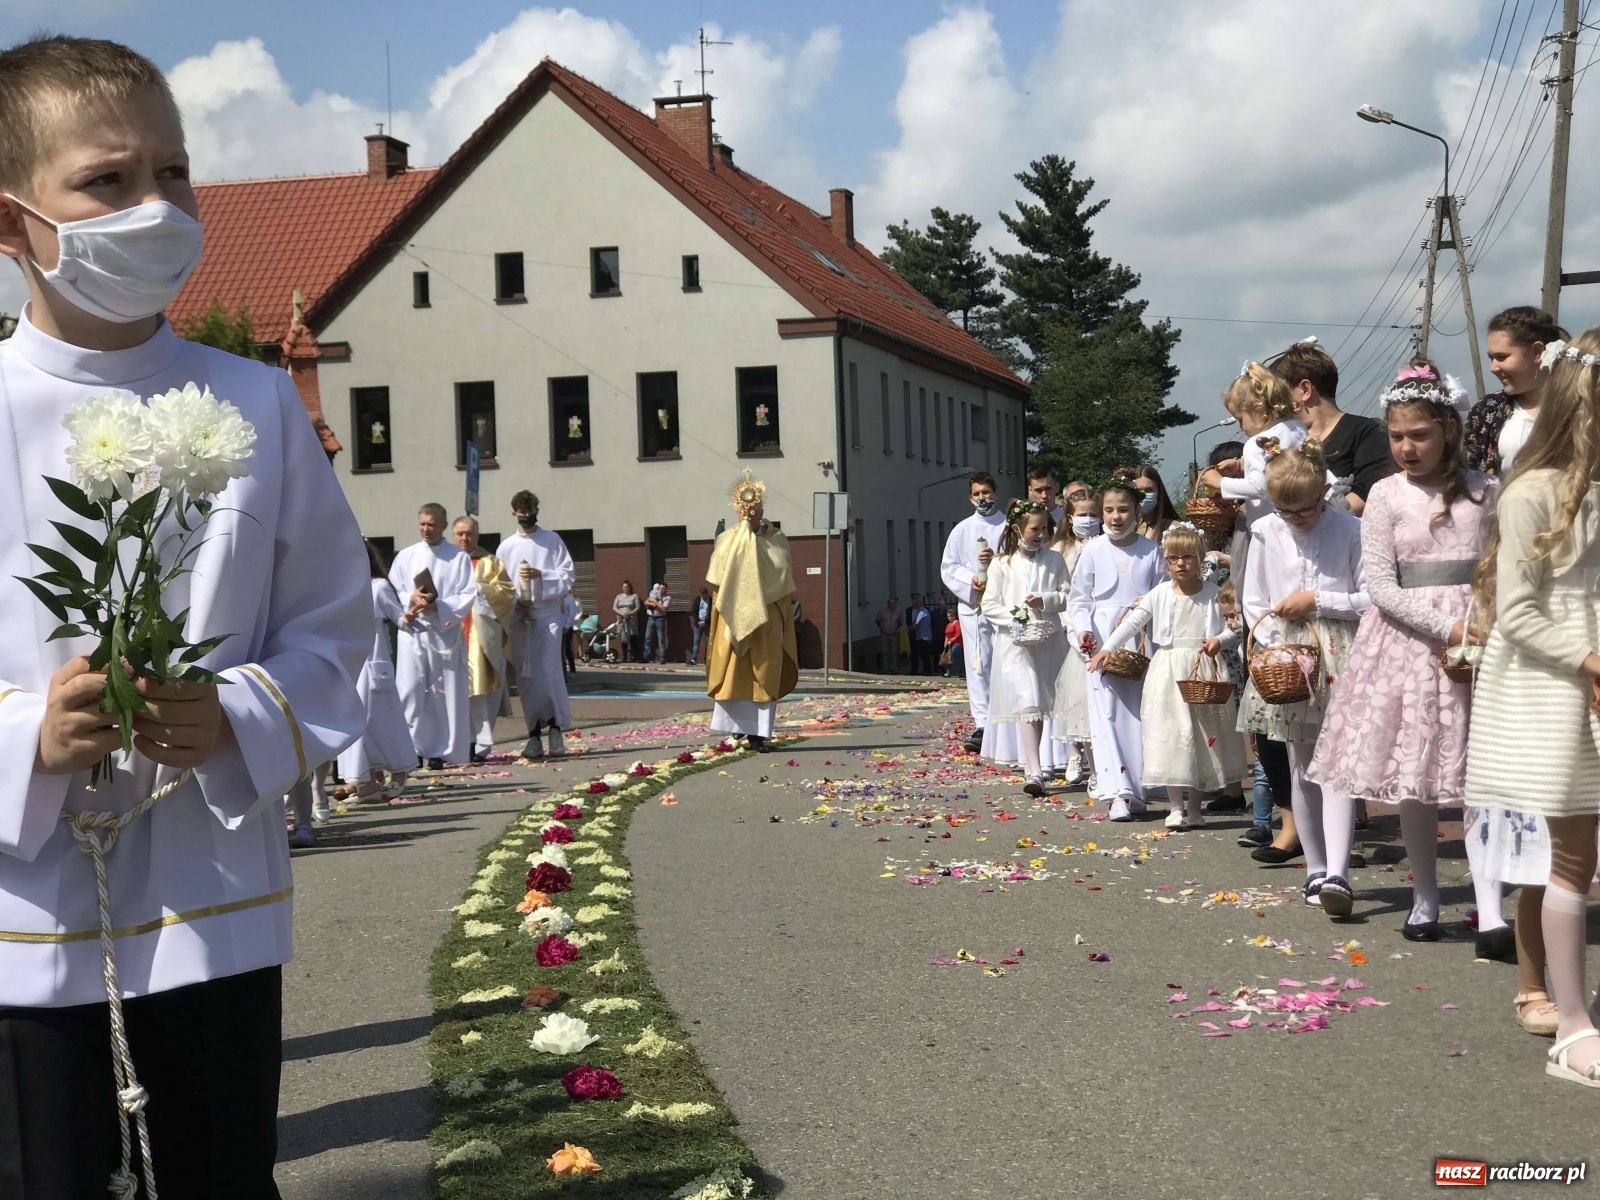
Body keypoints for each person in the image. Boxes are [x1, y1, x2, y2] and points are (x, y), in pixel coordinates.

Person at [0, 34, 371, 1196]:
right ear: (13, 225)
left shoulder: (254, 399)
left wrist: (234, 719)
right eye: (108, 181)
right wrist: (27, 739)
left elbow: (332, 629)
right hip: (23, 922)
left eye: (174, 173)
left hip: (212, 900)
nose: (154, 206)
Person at [1306, 361, 1492, 941]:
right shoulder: (1385, 494)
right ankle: (1426, 896)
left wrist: (1482, 621)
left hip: (1480, 641)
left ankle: (1491, 904)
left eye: (1420, 435)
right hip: (1409, 644)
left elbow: (1500, 567)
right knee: (1416, 773)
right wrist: (1447, 625)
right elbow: (1382, 586)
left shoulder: (1487, 490)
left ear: (1450, 431)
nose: (1407, 448)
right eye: (1396, 437)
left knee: (1483, 774)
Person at [1465, 327, 1600, 1085]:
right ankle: (1572, 1022)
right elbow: (1516, 612)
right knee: (1572, 860)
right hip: (1557, 686)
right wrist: (1589, 661)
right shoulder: (1532, 493)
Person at [1239, 440, 1370, 916]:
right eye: (1285, 510)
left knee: (1337, 765)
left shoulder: (1350, 528)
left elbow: (1371, 595)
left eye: (1306, 509)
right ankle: (1314, 866)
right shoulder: (1264, 531)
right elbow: (1254, 597)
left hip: (1339, 651)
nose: (1295, 519)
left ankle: (1338, 871)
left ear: (1324, 493)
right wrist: (1277, 642)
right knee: (1301, 763)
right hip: (1285, 655)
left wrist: (1318, 600)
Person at [1091, 522, 1244, 829]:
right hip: (1167, 669)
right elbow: (1133, 623)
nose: (1180, 564)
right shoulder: (1159, 593)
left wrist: (1220, 641)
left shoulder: (1213, 594)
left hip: (1201, 669)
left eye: (1187, 557)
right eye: (1173, 558)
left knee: (1202, 736)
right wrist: (1107, 648)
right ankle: (1176, 807)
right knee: (1172, 735)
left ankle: (1196, 807)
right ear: (1165, 561)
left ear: (1201, 558)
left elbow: (1234, 627)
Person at [1068, 480, 1165, 820]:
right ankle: (1116, 791)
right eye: (1108, 510)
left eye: (1123, 510)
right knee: (1105, 712)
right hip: (1101, 639)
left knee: (1138, 714)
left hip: (1139, 638)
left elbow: (1163, 595)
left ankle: (1138, 788)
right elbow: (1079, 599)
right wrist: (1082, 631)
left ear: (1137, 512)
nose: (1115, 517)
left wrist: (1148, 605)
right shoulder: (1093, 549)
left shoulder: (1151, 551)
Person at [980, 501, 1073, 795]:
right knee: (1028, 700)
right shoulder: (1002, 563)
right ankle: (1033, 770)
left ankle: (1043, 764)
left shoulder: (1055, 560)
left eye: (1045, 528)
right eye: (1035, 528)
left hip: (1047, 639)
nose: (1041, 534)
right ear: (1018, 528)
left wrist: (1045, 601)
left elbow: (1067, 594)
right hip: (1015, 642)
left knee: (1043, 701)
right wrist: (1015, 617)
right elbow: (989, 604)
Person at [705, 471, 798, 751]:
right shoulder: (727, 539)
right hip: (733, 619)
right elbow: (719, 575)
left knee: (763, 673)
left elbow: (781, 571)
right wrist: (741, 544)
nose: (748, 514)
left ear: (762, 511)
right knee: (734, 673)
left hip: (766, 619)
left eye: (754, 510)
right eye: (744, 510)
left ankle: (757, 735)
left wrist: (754, 548)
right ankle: (735, 731)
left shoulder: (776, 539)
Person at [391, 503, 476, 771]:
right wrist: (411, 598)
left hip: (443, 634)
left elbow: (467, 594)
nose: (426, 529)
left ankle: (440, 750)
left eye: (431, 524)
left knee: (442, 694)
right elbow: (392, 590)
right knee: (412, 691)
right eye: (422, 524)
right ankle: (412, 749)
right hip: (414, 633)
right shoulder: (406, 556)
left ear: (442, 525)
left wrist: (438, 606)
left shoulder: (457, 557)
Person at [495, 490, 575, 761]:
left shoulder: (552, 540)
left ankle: (555, 728)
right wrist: (514, 602)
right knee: (527, 676)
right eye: (521, 512)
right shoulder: (506, 547)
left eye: (530, 511)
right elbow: (500, 587)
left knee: (548, 671)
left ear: (536, 510)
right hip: (521, 617)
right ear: (514, 513)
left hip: (547, 614)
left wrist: (542, 575)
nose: (526, 516)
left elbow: (567, 576)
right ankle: (533, 733)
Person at [338, 541, 418, 805]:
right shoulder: (344, 588)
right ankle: (368, 781)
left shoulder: (379, 586)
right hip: (353, 661)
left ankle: (399, 769)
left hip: (375, 660)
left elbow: (400, 619)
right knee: (360, 723)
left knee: (383, 720)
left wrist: (414, 613)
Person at [1270, 340, 1389, 515]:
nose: (1275, 405)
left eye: (1279, 395)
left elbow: (1365, 498)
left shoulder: (1368, 433)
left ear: (1305, 389)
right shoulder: (1283, 440)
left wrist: (1304, 515)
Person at [940, 472, 1008, 752]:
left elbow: (1019, 559)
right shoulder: (962, 530)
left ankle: (1005, 722)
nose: (982, 498)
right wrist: (972, 580)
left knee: (1004, 660)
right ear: (970, 498)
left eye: (986, 492)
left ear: (996, 493)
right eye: (977, 494)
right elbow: (949, 566)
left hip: (1003, 603)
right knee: (977, 663)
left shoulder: (1009, 526)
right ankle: (983, 723)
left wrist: (996, 563)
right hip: (974, 605)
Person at [1465, 306, 1566, 476]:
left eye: (1502, 357)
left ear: (1537, 351)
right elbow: (1470, 478)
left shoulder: (1582, 404)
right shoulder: (1486, 411)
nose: (1493, 367)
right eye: (1491, 358)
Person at [453, 515, 514, 763]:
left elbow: (506, 592)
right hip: (452, 635)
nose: (464, 538)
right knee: (453, 692)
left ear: (477, 534)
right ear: (453, 535)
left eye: (469, 533)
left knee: (480, 690)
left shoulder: (490, 562)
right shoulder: (446, 561)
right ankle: (456, 744)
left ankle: (479, 745)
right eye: (460, 534)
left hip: (481, 637)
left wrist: (478, 588)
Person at [1126, 463, 1180, 543]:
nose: (1143, 495)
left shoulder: (1174, 528)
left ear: (1159, 491)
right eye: (1138, 491)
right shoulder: (1128, 527)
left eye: (1149, 490)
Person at [612, 580, 641, 663]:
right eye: (624, 587)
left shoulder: (634, 596)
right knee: (623, 638)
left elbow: (637, 607)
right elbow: (614, 607)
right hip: (621, 619)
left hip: (631, 619)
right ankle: (624, 656)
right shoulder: (618, 596)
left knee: (632, 637)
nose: (625, 588)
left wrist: (630, 613)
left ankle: (633, 656)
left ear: (630, 588)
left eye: (627, 587)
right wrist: (621, 613)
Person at [643, 581, 671, 663]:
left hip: (660, 619)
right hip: (651, 618)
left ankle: (662, 658)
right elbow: (646, 602)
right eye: (660, 588)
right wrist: (651, 602)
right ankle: (646, 657)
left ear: (666, 589)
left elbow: (663, 608)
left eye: (663, 588)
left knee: (661, 639)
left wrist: (654, 602)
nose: (661, 590)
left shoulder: (667, 597)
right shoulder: (654, 594)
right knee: (647, 638)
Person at [907, 593, 934, 675]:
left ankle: (927, 671)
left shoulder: (921, 612)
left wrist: (909, 629)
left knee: (924, 654)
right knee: (924, 654)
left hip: (922, 636)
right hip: (924, 635)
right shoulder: (925, 611)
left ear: (919, 603)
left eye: (916, 603)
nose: (914, 604)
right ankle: (927, 670)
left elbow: (915, 625)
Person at [876, 596, 903, 672]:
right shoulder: (882, 612)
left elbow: (900, 622)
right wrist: (882, 628)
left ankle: (893, 666)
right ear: (888, 604)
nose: (893, 606)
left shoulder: (898, 612)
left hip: (894, 634)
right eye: (892, 604)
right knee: (885, 651)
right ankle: (885, 667)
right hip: (884, 634)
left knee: (894, 651)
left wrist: (895, 628)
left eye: (894, 604)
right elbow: (877, 621)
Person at [690, 586, 713, 665]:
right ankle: (693, 660)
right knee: (696, 642)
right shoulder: (697, 600)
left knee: (708, 642)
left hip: (707, 624)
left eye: (704, 596)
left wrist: (705, 621)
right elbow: (693, 611)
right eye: (702, 596)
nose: (703, 597)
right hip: (698, 624)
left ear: (707, 594)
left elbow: (712, 613)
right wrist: (699, 621)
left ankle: (707, 660)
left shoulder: (711, 600)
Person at [561, 592, 581, 674]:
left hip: (567, 627)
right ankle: (562, 671)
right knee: (560, 651)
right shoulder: (559, 598)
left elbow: (571, 614)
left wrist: (567, 626)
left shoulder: (570, 599)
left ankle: (572, 670)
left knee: (567, 649)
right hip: (560, 627)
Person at [942, 613, 964, 677]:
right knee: (959, 658)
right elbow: (946, 634)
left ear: (954, 616)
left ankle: (948, 672)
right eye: (947, 616)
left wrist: (952, 640)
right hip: (949, 644)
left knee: (951, 656)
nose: (948, 618)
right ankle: (961, 672)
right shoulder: (948, 625)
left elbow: (958, 634)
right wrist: (945, 641)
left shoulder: (957, 623)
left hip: (957, 643)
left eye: (949, 616)